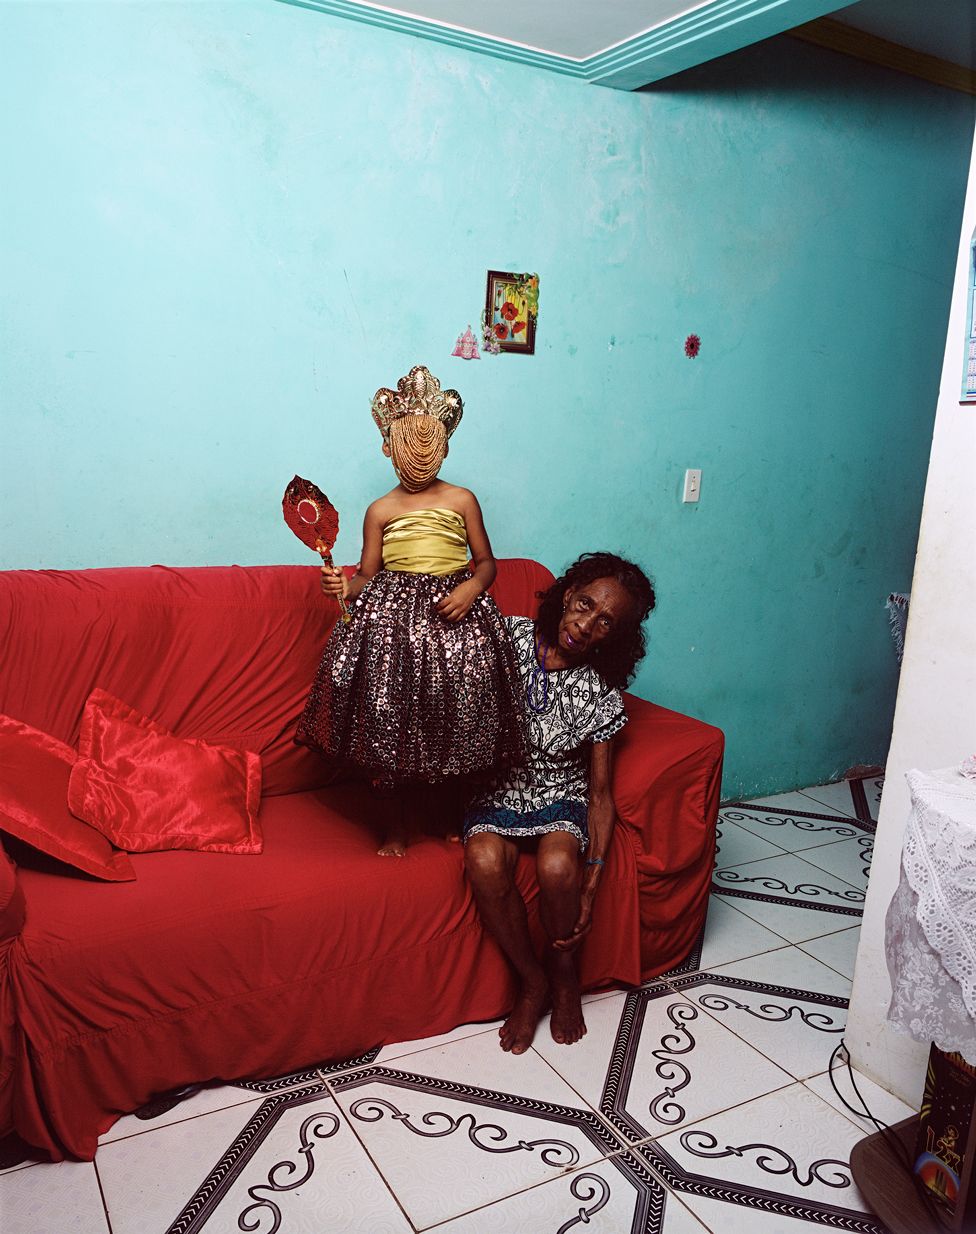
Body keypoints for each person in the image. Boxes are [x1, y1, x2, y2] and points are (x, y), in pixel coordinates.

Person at [296, 364, 525, 856]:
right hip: (393, 632)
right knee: (392, 723)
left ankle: (447, 815)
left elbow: (486, 563)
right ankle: (396, 826)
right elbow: (366, 577)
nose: (418, 458)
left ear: (442, 445)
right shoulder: (379, 510)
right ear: (389, 448)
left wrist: (471, 590)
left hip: (454, 623)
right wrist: (342, 584)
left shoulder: (463, 500)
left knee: (455, 719)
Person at [463, 552, 655, 1054]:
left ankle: (565, 973)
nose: (586, 624)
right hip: (497, 787)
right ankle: (533, 981)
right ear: (568, 594)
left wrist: (592, 883)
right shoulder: (505, 636)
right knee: (483, 858)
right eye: (585, 604)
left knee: (555, 864)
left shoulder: (599, 691)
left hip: (558, 792)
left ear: (615, 635)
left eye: (604, 622)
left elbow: (599, 795)